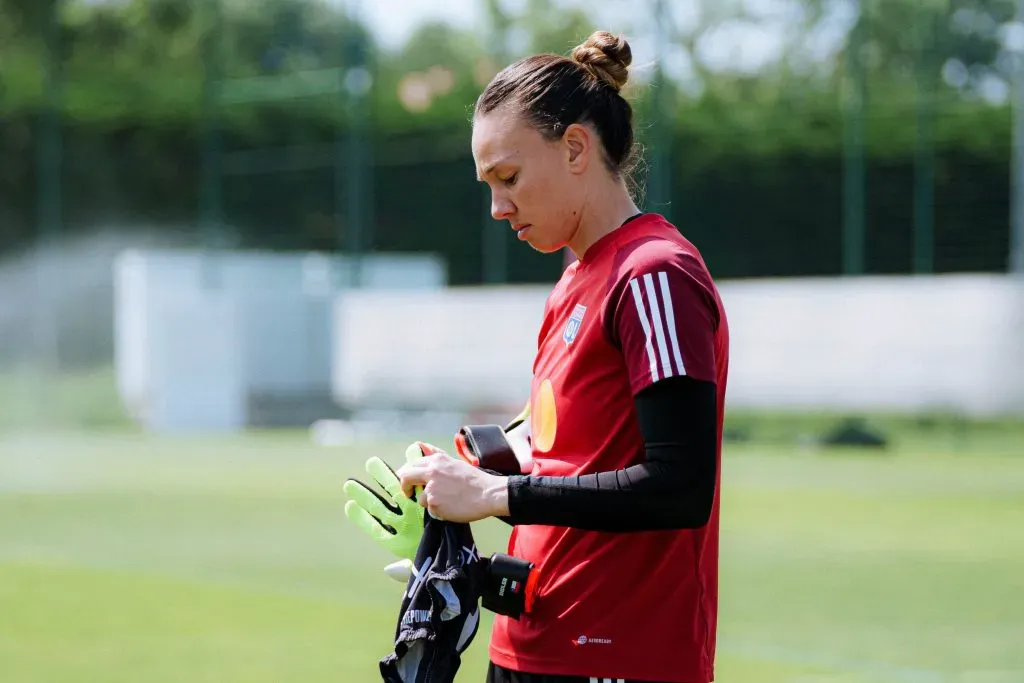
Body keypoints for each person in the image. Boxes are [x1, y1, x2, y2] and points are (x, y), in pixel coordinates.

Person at [394, 30, 730, 683]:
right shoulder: (575, 281)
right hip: (533, 643)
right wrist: (459, 477)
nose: (496, 206)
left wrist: (493, 491)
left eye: (508, 177)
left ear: (576, 147)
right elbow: (567, 454)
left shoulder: (653, 274)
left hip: (618, 658)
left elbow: (679, 485)